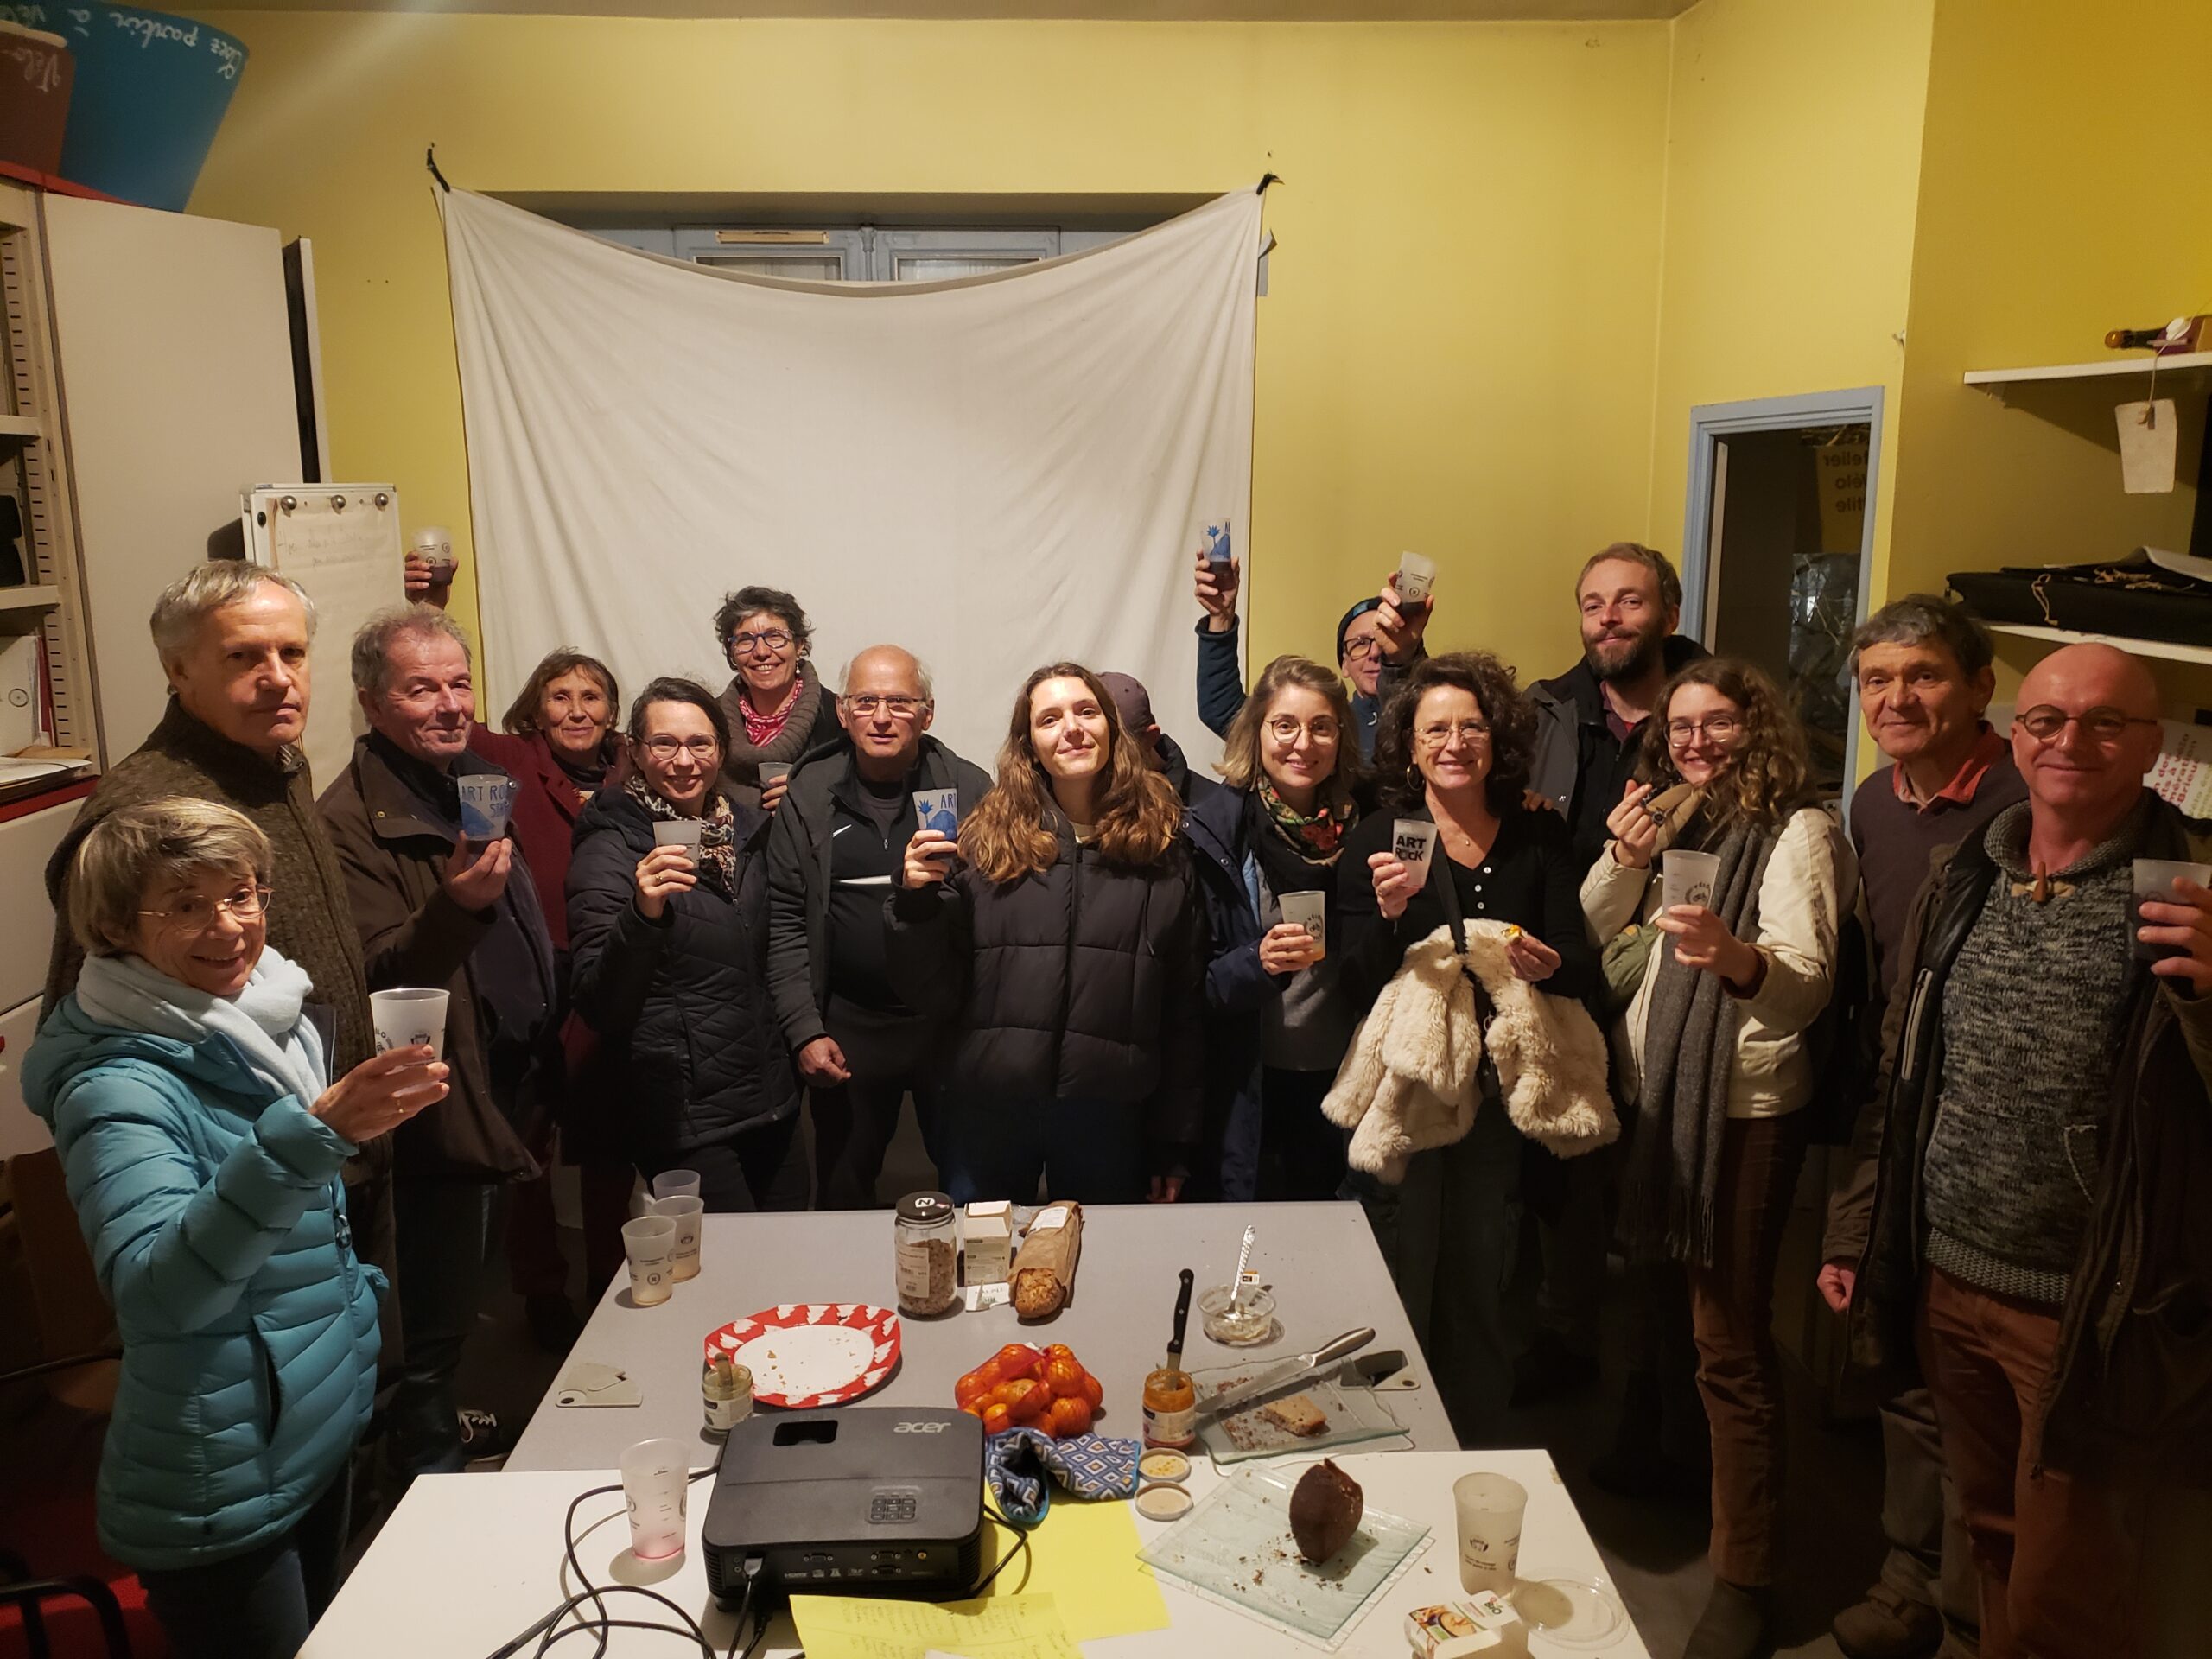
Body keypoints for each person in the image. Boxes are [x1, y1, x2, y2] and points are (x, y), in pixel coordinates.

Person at [1831, 642, 2212, 1659]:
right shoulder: (1968, 874)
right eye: (2046, 720)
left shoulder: (2191, 890)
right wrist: (1861, 1229)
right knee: (1990, 1543)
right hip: (1949, 1282)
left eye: (2104, 722)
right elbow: (1905, 1073)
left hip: (2087, 1308)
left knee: (2063, 1592)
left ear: (2152, 746)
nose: (2068, 741)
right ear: (2016, 733)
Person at [25, 798, 448, 1659]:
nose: (229, 926)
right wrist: (311, 1138)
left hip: (303, 1428)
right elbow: (157, 1294)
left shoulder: (264, 1015)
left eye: (241, 894)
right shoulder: (116, 1084)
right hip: (221, 1478)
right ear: (116, 925)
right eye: (185, 905)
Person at [1580, 657, 1855, 1659]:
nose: (1695, 742)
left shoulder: (1799, 830)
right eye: (1681, 727)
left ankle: (1747, 1578)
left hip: (1741, 1112)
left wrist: (1735, 959)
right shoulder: (1678, 815)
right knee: (1663, 1302)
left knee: (1730, 1343)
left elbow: (1806, 987)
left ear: (1757, 727)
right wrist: (1624, 855)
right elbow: (1590, 923)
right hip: (1665, 1099)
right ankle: (1674, 1465)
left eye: (1717, 723)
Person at [39, 562, 391, 1334]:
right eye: (243, 657)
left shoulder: (277, 764)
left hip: (326, 1147)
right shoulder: (146, 814)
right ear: (177, 670)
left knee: (352, 1363)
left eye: (292, 653)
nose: (279, 678)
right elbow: (87, 1025)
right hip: (236, 1184)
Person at [1821, 596, 2024, 1659]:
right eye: (1877, 680)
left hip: (1989, 1129)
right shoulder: (1872, 801)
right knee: (1896, 1353)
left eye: (1924, 675)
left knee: (1975, 1389)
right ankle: (1907, 1583)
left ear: (1981, 686)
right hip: (1893, 1111)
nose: (1896, 698)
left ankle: (1970, 1616)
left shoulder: (2024, 804)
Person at [1336, 652, 1599, 1440]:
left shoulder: (1537, 829)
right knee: (1401, 1273)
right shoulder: (1381, 835)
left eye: (1473, 726)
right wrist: (1389, 919)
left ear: (1499, 737)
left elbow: (1577, 960)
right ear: (1409, 746)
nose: (1455, 743)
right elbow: (1352, 982)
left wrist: (1546, 968)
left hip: (1499, 1092)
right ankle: (1394, 1444)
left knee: (1483, 1280)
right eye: (1436, 730)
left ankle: (1472, 1450)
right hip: (1410, 1091)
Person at [319, 607, 556, 1477]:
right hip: (438, 1106)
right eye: (422, 689)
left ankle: (437, 1426)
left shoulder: (472, 780)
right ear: (372, 703)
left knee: (469, 1285)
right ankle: (427, 1478)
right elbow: (375, 974)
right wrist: (455, 906)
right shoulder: (349, 822)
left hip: (504, 1082)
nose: (451, 704)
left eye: (459, 683)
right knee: (432, 1315)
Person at [887, 662, 1205, 1205]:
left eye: (1086, 711)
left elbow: (1182, 1011)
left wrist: (1173, 1141)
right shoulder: (984, 845)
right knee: (980, 1253)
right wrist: (913, 905)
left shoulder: (1161, 851)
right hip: (987, 1110)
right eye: (1050, 718)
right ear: (1030, 745)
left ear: (1112, 729)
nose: (1072, 728)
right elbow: (932, 991)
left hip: (1109, 1115)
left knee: (1100, 1255)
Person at [1514, 540, 1708, 1404]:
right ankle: (1566, 1337)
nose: (1608, 620)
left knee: (1655, 1172)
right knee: (1564, 1165)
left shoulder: (1712, 711)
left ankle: (1654, 1382)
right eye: (1593, 604)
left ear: (1668, 613)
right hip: (1567, 965)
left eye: (1628, 601)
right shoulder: (1545, 712)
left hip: (1672, 972)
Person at [568, 677, 805, 1211]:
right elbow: (599, 1003)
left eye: (700, 743)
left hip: (771, 1098)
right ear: (635, 751)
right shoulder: (612, 843)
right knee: (727, 1257)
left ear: (720, 751)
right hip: (684, 1113)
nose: (683, 761)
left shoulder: (748, 830)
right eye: (664, 744)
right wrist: (642, 913)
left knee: (792, 1245)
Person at [765, 645, 989, 1209]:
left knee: (974, 1191)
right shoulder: (809, 793)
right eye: (865, 702)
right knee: (842, 1193)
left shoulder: (969, 789)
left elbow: (996, 919)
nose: (882, 717)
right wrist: (804, 1030)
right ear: (842, 712)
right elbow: (786, 921)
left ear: (928, 713)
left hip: (948, 1026)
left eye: (899, 702)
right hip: (849, 1027)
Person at [470, 649, 636, 1351]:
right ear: (537, 708)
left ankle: (608, 1280)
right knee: (528, 1142)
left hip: (606, 969)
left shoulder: (632, 765)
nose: (576, 710)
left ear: (611, 711)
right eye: (560, 696)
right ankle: (541, 1289)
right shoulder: (508, 760)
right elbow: (448, 720)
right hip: (529, 974)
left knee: (606, 1139)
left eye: (591, 697)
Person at [1186, 654, 1366, 1203]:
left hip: (1350, 1075)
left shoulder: (1372, 823)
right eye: (1284, 725)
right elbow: (1189, 983)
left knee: (1337, 1231)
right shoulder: (1216, 831)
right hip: (1251, 1080)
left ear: (1341, 737)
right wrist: (1256, 962)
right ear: (1257, 733)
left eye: (1321, 727)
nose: (1302, 744)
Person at [1192, 545, 1415, 760]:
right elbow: (1223, 711)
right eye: (1361, 643)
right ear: (1344, 664)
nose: (1374, 652)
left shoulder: (1426, 723)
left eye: (1385, 640)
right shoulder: (1327, 729)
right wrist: (1221, 618)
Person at [713, 585, 842, 812]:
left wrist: (815, 797)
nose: (761, 652)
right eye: (745, 640)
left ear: (799, 645)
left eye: (775, 637)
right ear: (732, 652)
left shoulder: (839, 720)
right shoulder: (709, 724)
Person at [1101, 670, 1217, 808]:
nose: (1100, 760)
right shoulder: (1084, 801)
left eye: (1114, 745)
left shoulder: (1213, 810)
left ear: (1150, 738)